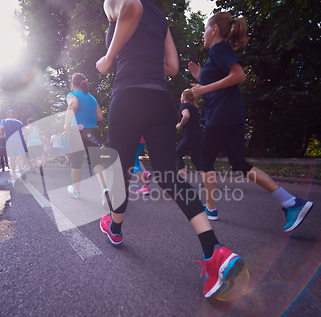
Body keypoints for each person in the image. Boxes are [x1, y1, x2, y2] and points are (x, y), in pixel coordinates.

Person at [96, 0, 243, 298]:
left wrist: (109, 57)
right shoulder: (160, 16)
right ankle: (214, 249)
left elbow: (132, 8)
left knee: (119, 173)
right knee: (168, 176)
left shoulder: (113, 2)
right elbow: (173, 68)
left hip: (128, 96)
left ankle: (115, 226)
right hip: (159, 100)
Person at [189, 12, 313, 227]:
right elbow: (222, 81)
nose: (203, 35)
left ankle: (210, 208)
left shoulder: (219, 48)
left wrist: (204, 88)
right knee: (239, 163)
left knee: (204, 160)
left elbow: (239, 75)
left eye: (205, 30)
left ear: (215, 29)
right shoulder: (216, 54)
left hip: (221, 115)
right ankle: (291, 202)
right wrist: (201, 77)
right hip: (232, 114)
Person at [63, 72, 106, 200]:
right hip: (93, 131)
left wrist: (66, 124)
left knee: (76, 163)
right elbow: (100, 117)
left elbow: (72, 105)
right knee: (96, 162)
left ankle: (76, 191)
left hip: (77, 132)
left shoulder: (73, 94)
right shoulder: (92, 98)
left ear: (72, 84)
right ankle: (105, 190)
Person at [176, 89, 202, 181]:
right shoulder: (194, 108)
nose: (180, 98)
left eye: (181, 95)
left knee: (177, 154)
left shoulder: (184, 105)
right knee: (196, 159)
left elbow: (186, 116)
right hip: (199, 135)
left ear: (185, 97)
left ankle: (182, 179)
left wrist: (180, 125)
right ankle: (207, 181)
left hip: (190, 135)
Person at [0, 110, 27, 180]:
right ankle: (22, 168)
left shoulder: (4, 120)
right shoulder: (19, 122)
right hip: (19, 141)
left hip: (9, 142)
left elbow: (2, 128)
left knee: (12, 159)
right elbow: (26, 131)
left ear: (7, 115)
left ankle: (14, 173)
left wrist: (2, 134)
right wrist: (24, 137)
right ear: (15, 115)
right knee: (21, 157)